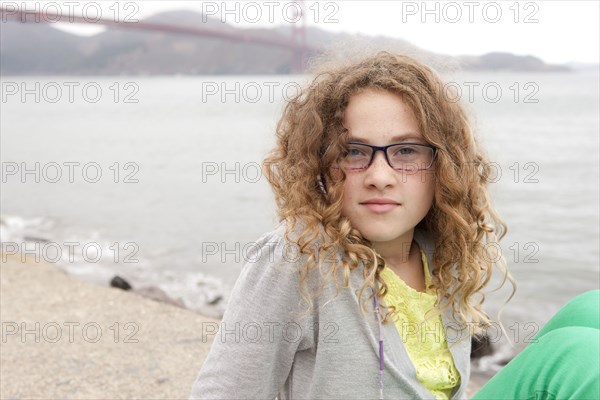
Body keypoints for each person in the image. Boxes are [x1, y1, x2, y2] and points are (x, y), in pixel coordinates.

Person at [189, 52, 599, 399]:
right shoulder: (299, 255)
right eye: (353, 151)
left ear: (443, 165)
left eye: (405, 151)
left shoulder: (439, 253)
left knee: (591, 308)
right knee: (574, 354)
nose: (380, 175)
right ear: (321, 164)